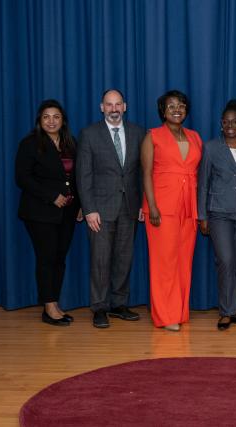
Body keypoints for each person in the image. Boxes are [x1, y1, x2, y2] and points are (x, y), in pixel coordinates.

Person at [76, 89, 145, 328]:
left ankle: (118, 304)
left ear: (124, 107)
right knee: (100, 260)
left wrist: (143, 203)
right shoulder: (89, 134)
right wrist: (89, 208)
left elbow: (143, 172)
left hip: (130, 208)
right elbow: (83, 175)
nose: (114, 109)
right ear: (101, 107)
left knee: (124, 259)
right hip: (100, 210)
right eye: (109, 104)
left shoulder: (138, 133)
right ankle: (99, 307)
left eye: (118, 104)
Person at [15, 99, 82, 326]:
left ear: (63, 121)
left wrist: (81, 204)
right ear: (39, 121)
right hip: (39, 212)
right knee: (46, 258)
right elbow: (22, 178)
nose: (51, 121)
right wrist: (51, 196)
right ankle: (49, 306)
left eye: (56, 117)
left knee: (59, 258)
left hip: (68, 212)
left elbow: (77, 177)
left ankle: (54, 302)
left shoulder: (71, 143)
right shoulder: (30, 143)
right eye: (46, 117)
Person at [142, 90, 202, 332]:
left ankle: (179, 310)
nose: (176, 109)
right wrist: (152, 206)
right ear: (162, 111)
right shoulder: (152, 136)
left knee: (183, 262)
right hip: (162, 208)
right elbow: (146, 173)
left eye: (181, 105)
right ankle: (165, 316)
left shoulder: (195, 137)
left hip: (189, 208)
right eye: (171, 106)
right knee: (163, 262)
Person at [197, 100, 236, 331]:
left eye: (235, 121)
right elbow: (202, 184)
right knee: (226, 260)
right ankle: (225, 311)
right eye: (226, 122)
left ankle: (233, 309)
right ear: (221, 125)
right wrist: (202, 215)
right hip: (218, 212)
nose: (230, 125)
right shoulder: (211, 147)